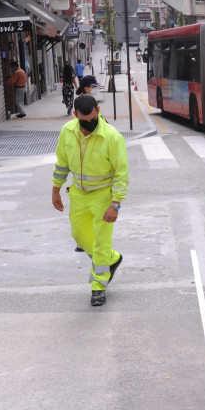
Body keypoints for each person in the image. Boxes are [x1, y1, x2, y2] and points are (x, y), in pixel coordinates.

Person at [52, 95, 129, 306]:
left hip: (103, 195)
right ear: (75, 114)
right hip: (77, 193)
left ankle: (98, 286)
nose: (89, 125)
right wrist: (55, 189)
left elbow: (122, 174)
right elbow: (62, 163)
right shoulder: (68, 131)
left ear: (98, 110)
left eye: (93, 119)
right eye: (84, 121)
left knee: (101, 241)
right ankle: (112, 259)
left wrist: (115, 204)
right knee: (79, 235)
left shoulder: (112, 137)